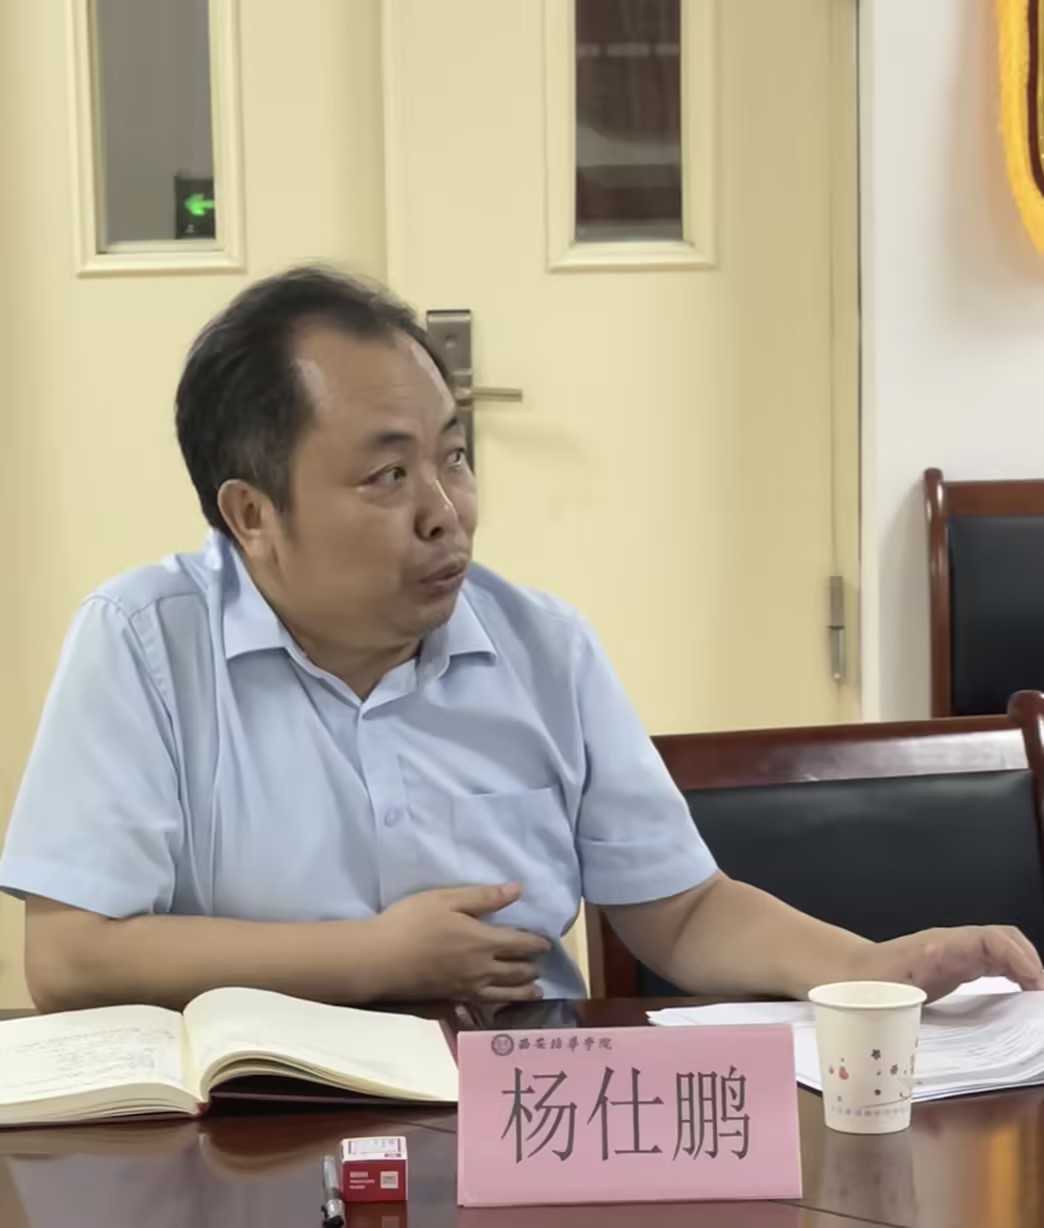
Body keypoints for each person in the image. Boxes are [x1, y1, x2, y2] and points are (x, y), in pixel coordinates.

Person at [2, 267, 1041, 1013]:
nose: (446, 512)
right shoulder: (143, 645)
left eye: (453, 458)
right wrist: (370, 958)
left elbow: (682, 914)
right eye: (388, 475)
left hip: (518, 1118)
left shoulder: (544, 647)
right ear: (252, 515)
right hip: (251, 1139)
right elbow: (70, 957)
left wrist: (874, 968)